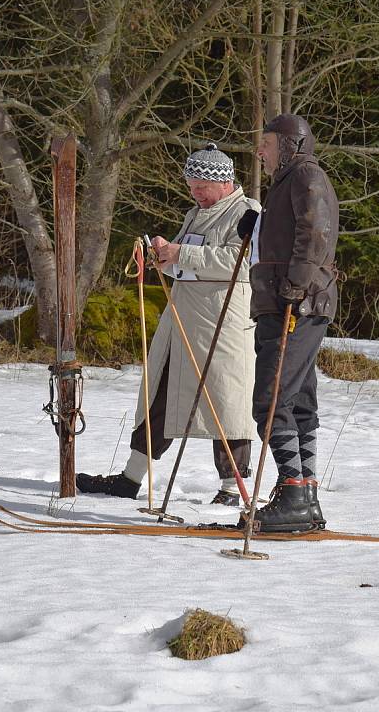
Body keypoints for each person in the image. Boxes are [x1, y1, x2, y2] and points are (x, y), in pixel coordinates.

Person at [77, 143, 260, 505]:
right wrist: (164, 259)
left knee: (226, 403)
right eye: (192, 187)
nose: (195, 194)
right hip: (182, 321)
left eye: (201, 187)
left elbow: (240, 261)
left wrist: (181, 254)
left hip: (222, 328)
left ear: (223, 183)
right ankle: (130, 479)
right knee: (159, 395)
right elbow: (188, 262)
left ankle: (230, 490)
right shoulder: (198, 213)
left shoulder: (246, 212)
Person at [237, 114, 339, 532]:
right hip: (287, 302)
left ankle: (294, 491)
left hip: (294, 304)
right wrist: (256, 225)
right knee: (296, 399)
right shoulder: (288, 181)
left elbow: (314, 232)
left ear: (290, 143)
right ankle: (306, 494)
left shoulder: (306, 176)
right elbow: (289, 230)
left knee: (272, 399)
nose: (260, 151)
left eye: (266, 142)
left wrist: (295, 286)